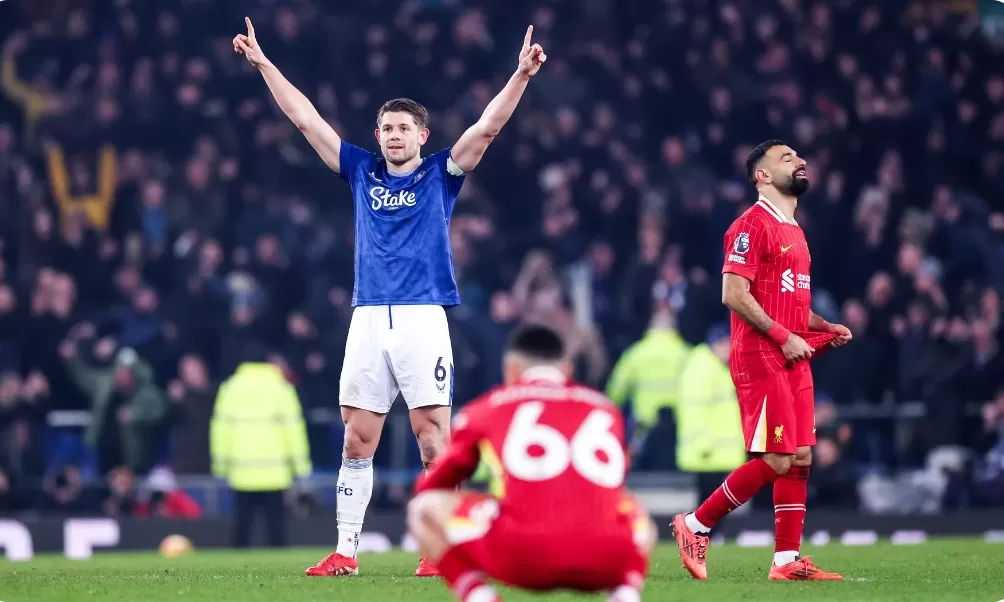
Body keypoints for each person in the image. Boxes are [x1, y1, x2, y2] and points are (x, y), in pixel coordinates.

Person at [232, 18, 547, 576]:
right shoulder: (360, 172)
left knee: (432, 440)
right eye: (387, 128)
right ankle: (346, 552)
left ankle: (437, 550)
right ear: (377, 137)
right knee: (358, 437)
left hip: (424, 317)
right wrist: (263, 65)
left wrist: (520, 76)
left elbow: (487, 127)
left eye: (404, 127)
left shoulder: (442, 175)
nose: (394, 135)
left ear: (422, 136)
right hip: (369, 317)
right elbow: (305, 119)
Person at [671, 140, 852, 581]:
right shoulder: (750, 225)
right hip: (761, 355)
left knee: (802, 456)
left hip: (792, 353)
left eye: (799, 156)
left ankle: (786, 562)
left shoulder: (795, 230)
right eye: (787, 158)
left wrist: (822, 325)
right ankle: (694, 525)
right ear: (762, 175)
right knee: (776, 458)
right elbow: (733, 294)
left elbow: (789, 303)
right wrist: (783, 336)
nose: (801, 161)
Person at [408, 325, 656, 602]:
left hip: (522, 556)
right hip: (604, 558)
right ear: (567, 370)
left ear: (510, 370)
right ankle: (625, 596)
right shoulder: (606, 409)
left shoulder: (485, 409)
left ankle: (480, 597)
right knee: (637, 512)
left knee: (423, 509)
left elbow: (431, 487)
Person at [210, 348, 311, 548]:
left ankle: (236, 573)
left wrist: (220, 466)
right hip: (275, 471)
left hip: (241, 471)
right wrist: (301, 467)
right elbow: (293, 429)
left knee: (242, 527)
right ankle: (281, 572)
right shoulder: (282, 388)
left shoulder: (230, 388)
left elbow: (221, 429)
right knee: (276, 528)